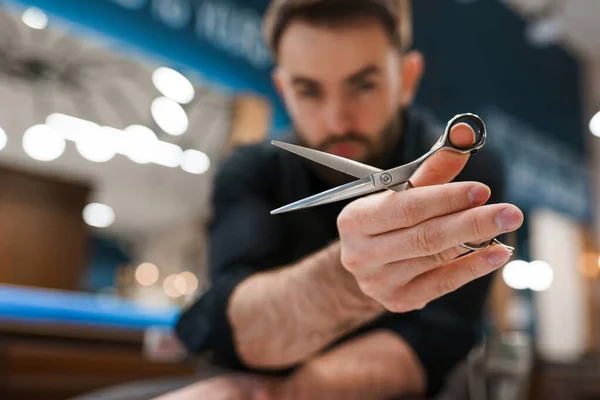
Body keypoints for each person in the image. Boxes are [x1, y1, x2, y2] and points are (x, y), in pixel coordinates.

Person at [160, 0, 524, 399]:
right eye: (308, 90)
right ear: (283, 88)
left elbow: (436, 344)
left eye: (363, 85)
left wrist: (279, 396)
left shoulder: (461, 164)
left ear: (407, 78)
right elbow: (233, 323)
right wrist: (346, 278)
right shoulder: (250, 170)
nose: (337, 120)